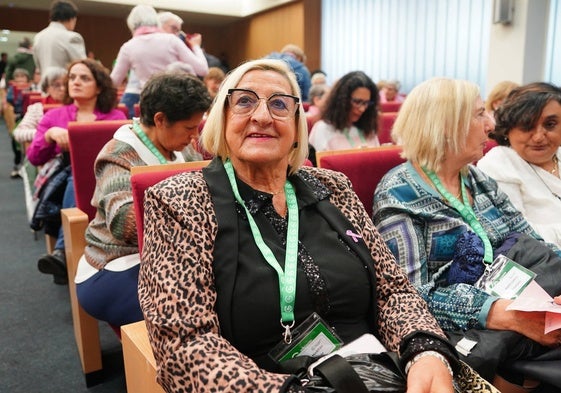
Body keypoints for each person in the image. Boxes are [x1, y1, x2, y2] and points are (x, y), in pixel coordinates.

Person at [138, 58, 475, 393]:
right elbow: (185, 345)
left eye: (280, 104)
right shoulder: (180, 201)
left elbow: (393, 291)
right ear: (222, 120)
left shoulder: (333, 188)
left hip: (378, 371)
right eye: (244, 101)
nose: (262, 116)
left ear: (297, 126)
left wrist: (424, 349)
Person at [372, 77, 561, 391]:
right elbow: (412, 295)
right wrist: (506, 315)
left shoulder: (475, 179)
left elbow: (534, 244)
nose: (490, 124)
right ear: (447, 127)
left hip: (522, 308)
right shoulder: (399, 193)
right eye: (479, 114)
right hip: (468, 331)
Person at [75, 72, 211, 327]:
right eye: (189, 128)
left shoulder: (181, 147)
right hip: (114, 264)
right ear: (160, 119)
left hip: (170, 256)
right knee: (186, 311)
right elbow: (125, 224)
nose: (194, 136)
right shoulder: (118, 156)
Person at [27, 58, 127, 285]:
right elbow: (34, 158)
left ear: (99, 86)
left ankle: (62, 253)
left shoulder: (115, 118)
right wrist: (50, 135)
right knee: (75, 172)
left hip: (107, 182)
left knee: (85, 173)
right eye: (72, 77)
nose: (76, 82)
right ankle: (64, 250)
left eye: (84, 78)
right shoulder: (53, 117)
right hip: (63, 183)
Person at [477, 82, 561, 247]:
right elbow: (516, 235)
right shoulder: (498, 163)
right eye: (526, 126)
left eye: (550, 125)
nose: (538, 137)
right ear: (507, 129)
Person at [111, 5, 208, 116]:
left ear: (131, 24)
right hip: (173, 101)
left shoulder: (128, 46)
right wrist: (196, 46)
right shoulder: (171, 40)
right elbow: (202, 69)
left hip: (145, 103)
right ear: (156, 20)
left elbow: (113, 83)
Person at [309, 71, 380, 152]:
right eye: (357, 102)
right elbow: (316, 163)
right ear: (342, 100)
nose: (362, 109)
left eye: (366, 103)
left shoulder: (368, 128)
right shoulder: (323, 129)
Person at [13, 66, 67, 145]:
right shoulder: (38, 108)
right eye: (56, 85)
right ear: (46, 88)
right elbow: (19, 133)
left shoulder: (77, 106)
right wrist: (48, 134)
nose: (63, 88)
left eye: (65, 84)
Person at [32, 0, 86, 72]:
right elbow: (82, 66)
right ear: (71, 19)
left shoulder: (38, 37)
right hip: (64, 82)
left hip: (45, 81)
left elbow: (39, 67)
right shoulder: (72, 37)